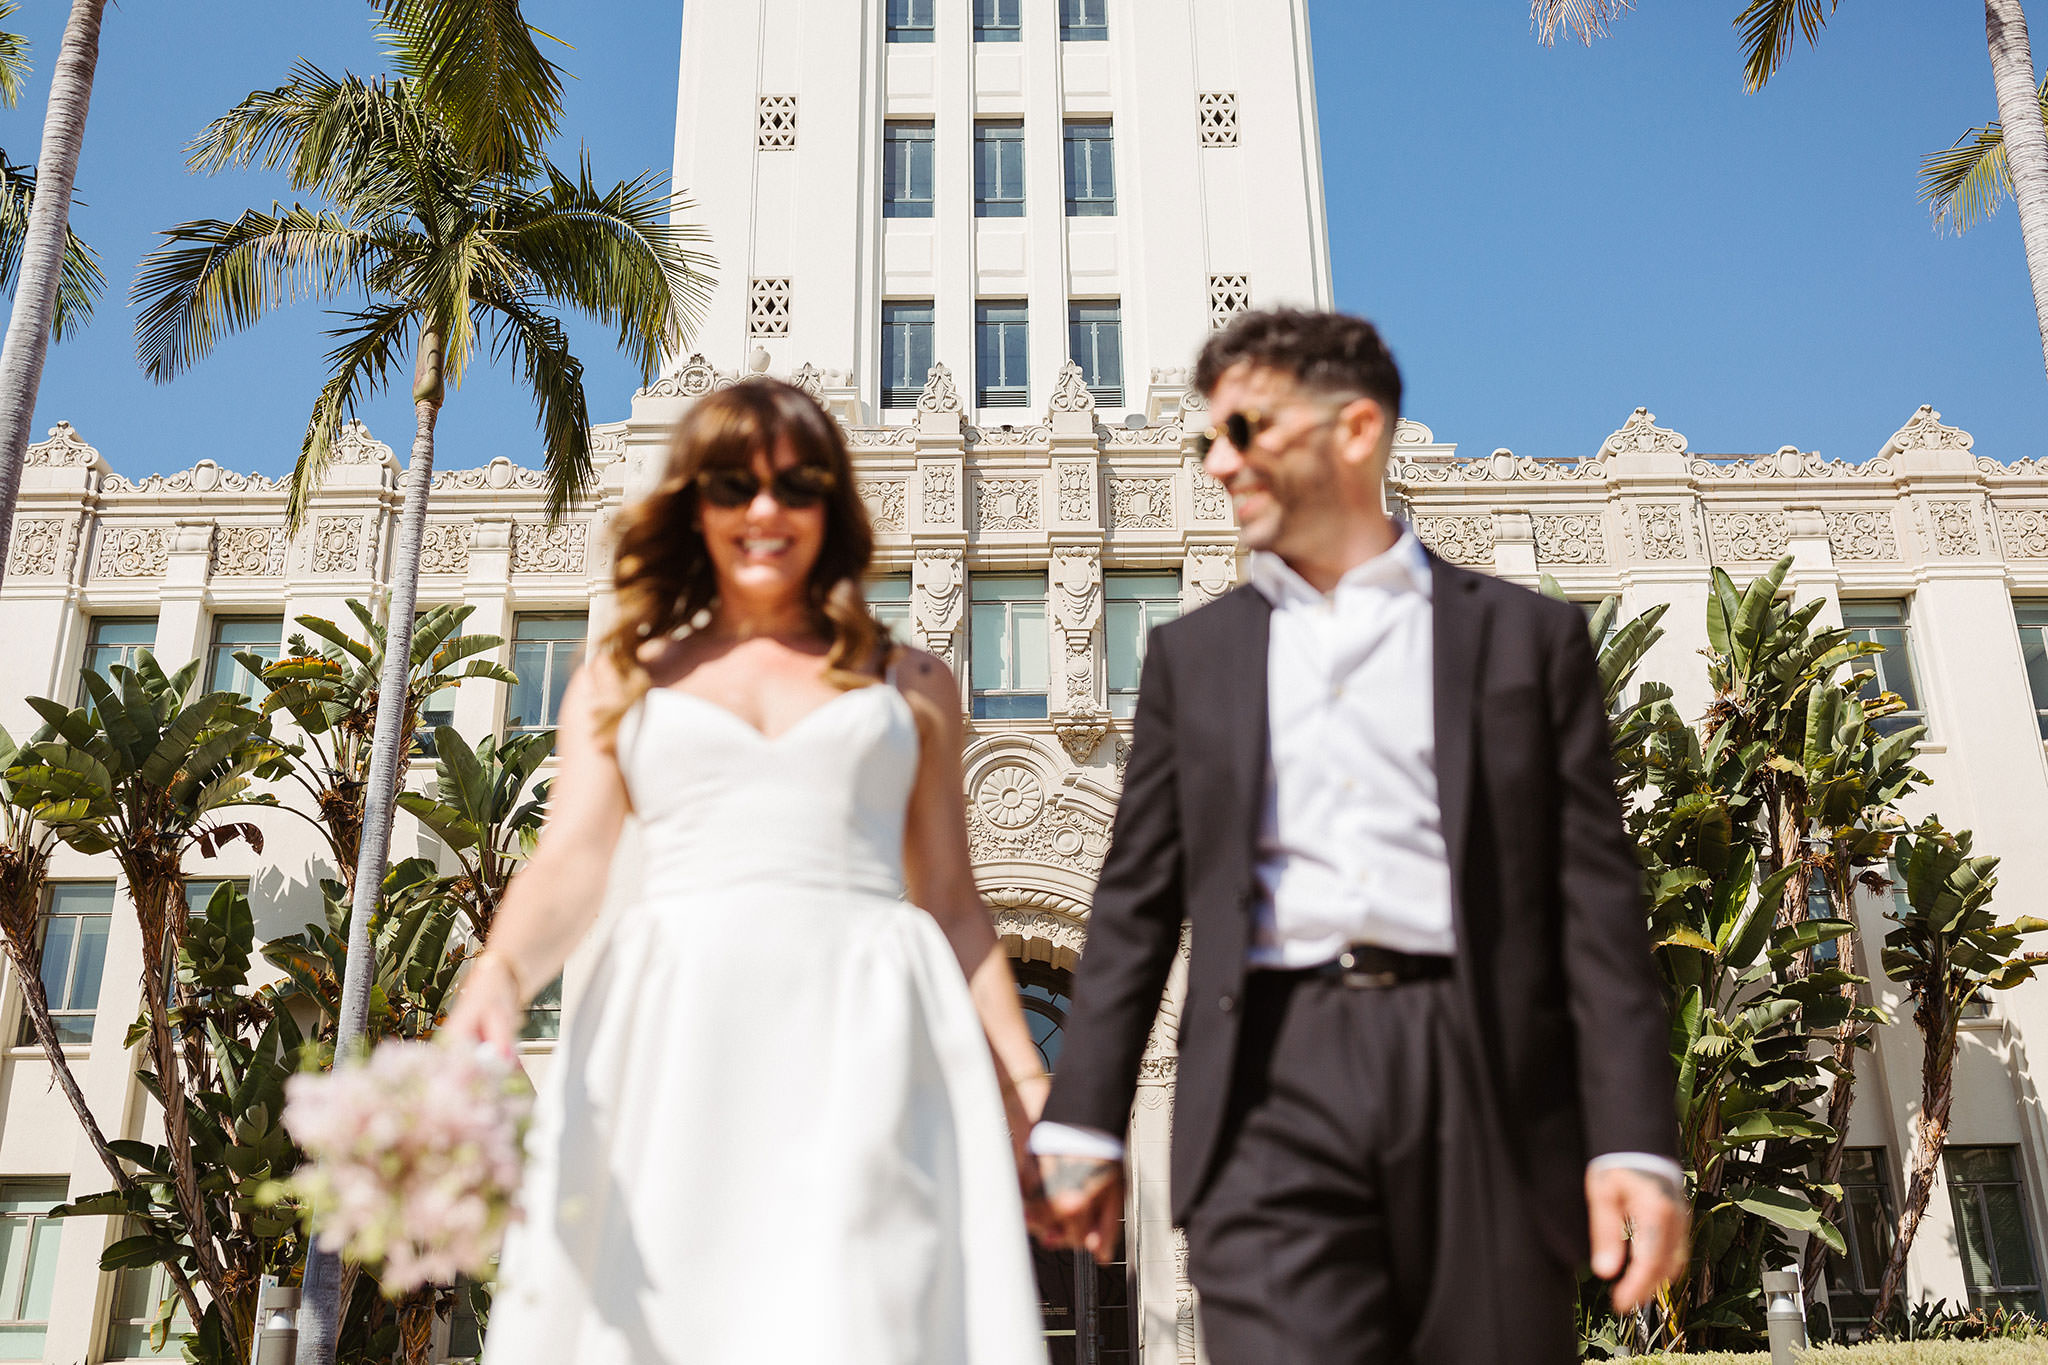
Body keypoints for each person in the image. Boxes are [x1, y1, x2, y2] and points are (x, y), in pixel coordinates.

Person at [1031, 309, 1689, 1364]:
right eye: (1209, 438)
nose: (1216, 463)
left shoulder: (1526, 641)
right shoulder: (1191, 660)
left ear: (1354, 431)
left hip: (1478, 1071)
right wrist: (1081, 1118)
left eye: (1244, 432)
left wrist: (1631, 1140)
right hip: (1263, 1080)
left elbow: (1595, 910)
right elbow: (1133, 904)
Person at [444, 380, 1051, 1365]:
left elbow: (951, 904)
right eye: (733, 486)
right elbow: (570, 864)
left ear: (832, 506)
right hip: (673, 1026)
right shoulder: (621, 674)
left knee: (866, 1298)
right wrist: (498, 977)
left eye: (795, 485)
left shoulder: (916, 683)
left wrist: (1025, 1084)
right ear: (694, 504)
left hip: (867, 1025)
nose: (764, 511)